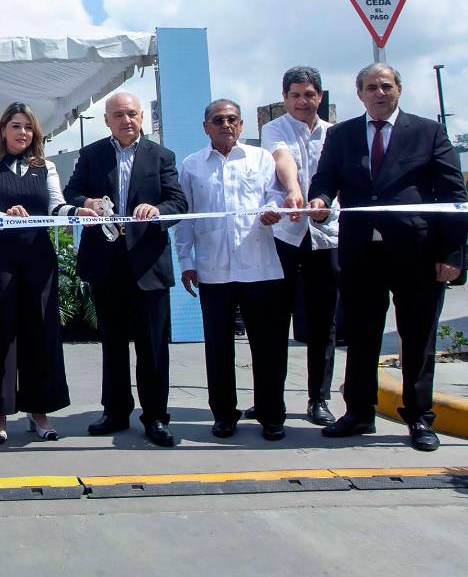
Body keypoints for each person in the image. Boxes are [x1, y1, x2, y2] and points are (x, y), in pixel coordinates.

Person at [309, 63, 468, 451]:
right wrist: (320, 199)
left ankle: (419, 419)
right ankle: (359, 413)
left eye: (386, 86)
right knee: (361, 337)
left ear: (399, 89)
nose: (379, 93)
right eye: (371, 87)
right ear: (359, 93)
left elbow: (455, 197)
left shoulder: (429, 132)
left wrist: (453, 254)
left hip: (418, 254)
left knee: (417, 339)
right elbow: (326, 178)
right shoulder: (342, 135)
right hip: (362, 252)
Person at [63, 91, 188, 447]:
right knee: (113, 345)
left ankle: (156, 417)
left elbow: (178, 201)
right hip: (106, 265)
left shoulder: (161, 156)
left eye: (132, 113)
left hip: (148, 266)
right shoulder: (92, 155)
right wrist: (84, 203)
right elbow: (71, 194)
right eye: (118, 115)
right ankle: (115, 412)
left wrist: (157, 209)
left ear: (142, 117)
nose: (126, 120)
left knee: (152, 347)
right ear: (107, 121)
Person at [0, 102, 93, 444]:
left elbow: (56, 205)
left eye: (27, 127)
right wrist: (5, 214)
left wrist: (77, 210)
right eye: (15, 126)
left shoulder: (46, 167)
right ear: (3, 130)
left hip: (38, 256)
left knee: (41, 330)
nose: (22, 132)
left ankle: (39, 410)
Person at [175, 99, 289, 441]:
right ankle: (224, 414)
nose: (226, 125)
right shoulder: (193, 165)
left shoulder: (260, 158)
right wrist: (187, 262)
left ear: (241, 125)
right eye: (218, 120)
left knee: (268, 347)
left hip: (260, 267)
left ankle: (272, 415)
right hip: (214, 270)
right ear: (206, 126)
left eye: (233, 119)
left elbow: (278, 196)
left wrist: (273, 210)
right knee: (219, 348)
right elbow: (185, 218)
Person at [260, 66, 339, 426]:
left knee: (323, 321)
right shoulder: (274, 129)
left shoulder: (336, 134)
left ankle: (319, 398)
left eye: (309, 94)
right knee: (275, 319)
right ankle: (270, 402)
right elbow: (282, 160)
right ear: (285, 98)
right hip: (286, 236)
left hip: (326, 235)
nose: (302, 102)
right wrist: (293, 191)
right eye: (295, 95)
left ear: (319, 96)